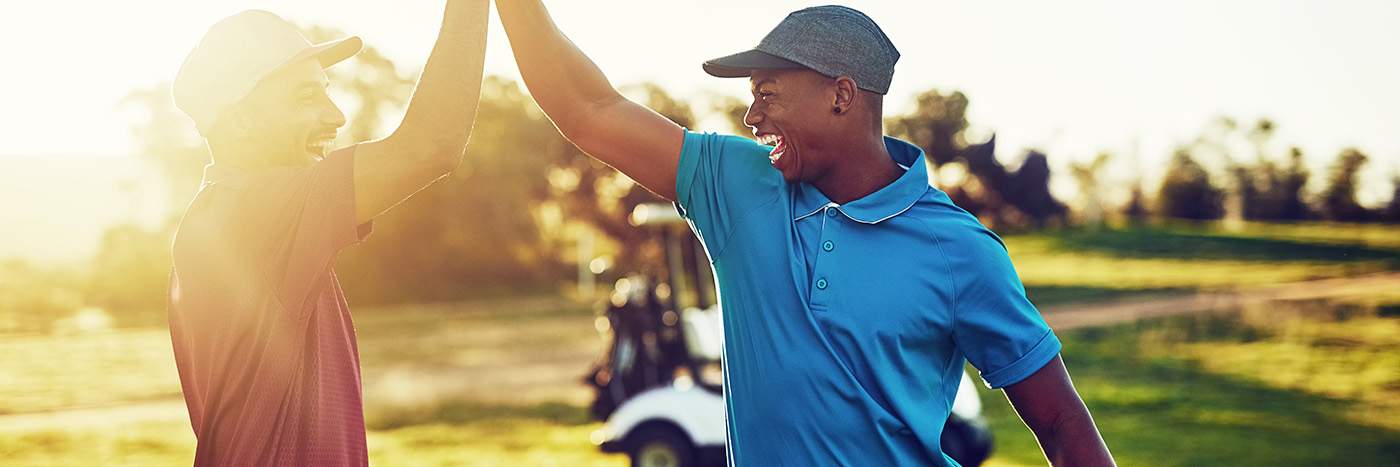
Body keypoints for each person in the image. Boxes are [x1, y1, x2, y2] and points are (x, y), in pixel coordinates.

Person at [495, 2, 1115, 466]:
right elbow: (590, 109)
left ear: (841, 96)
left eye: (767, 94)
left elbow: (1061, 421)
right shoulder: (736, 186)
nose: (751, 115)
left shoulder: (959, 252)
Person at [166, 2, 488, 465]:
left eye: (325, 92)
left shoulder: (237, 212)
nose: (336, 117)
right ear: (239, 120)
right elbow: (431, 145)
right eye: (305, 98)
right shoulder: (250, 211)